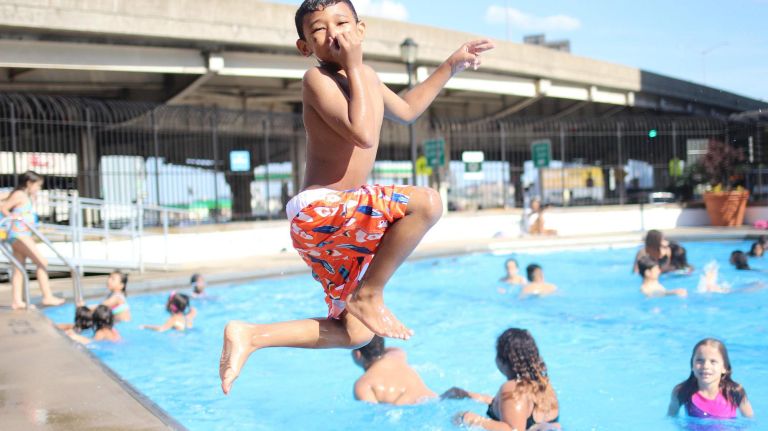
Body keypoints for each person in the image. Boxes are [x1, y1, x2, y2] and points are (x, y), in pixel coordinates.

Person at [218, 0, 494, 395]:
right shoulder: (318, 81)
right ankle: (370, 293)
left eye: (342, 23)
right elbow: (362, 131)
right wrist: (356, 64)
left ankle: (251, 335)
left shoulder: (366, 79)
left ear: (360, 30)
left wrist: (450, 65)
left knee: (356, 333)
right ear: (304, 47)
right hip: (322, 209)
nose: (334, 33)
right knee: (426, 203)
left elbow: (409, 110)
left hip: (338, 223)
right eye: (319, 29)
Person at [445, 328, 560, 430]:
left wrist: (468, 417)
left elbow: (513, 429)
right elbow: (516, 407)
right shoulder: (544, 387)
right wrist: (470, 395)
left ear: (502, 360)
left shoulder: (512, 388)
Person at [0, 171, 64, 308]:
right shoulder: (20, 195)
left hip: (20, 235)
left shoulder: (23, 195)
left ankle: (17, 301)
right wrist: (14, 217)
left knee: (18, 268)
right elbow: (4, 207)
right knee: (42, 262)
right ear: (29, 183)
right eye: (38, 185)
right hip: (19, 235)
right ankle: (47, 296)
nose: (39, 189)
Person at [668, 338, 753, 419]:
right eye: (699, 360)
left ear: (724, 368)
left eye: (713, 361)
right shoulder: (682, 391)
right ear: (692, 365)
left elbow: (749, 420)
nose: (706, 366)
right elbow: (671, 419)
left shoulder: (735, 392)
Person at [351, 335, 436, 405]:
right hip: (433, 399)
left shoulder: (363, 384)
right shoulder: (397, 355)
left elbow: (374, 414)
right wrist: (377, 349)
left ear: (357, 354)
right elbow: (393, 349)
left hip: (409, 409)